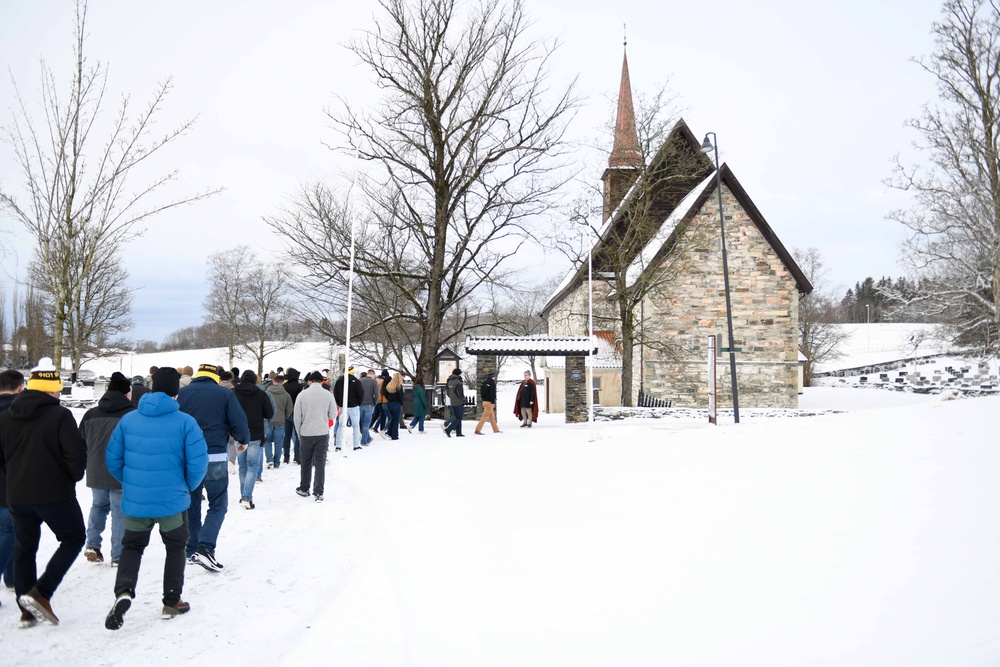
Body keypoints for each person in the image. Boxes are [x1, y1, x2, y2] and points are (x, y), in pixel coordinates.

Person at [103, 367, 208, 630]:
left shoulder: (128, 420)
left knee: (132, 547)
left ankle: (124, 591)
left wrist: (131, 483)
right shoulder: (185, 422)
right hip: (172, 502)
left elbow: (112, 459)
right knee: (175, 547)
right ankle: (172, 601)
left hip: (137, 502)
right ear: (176, 391)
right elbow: (198, 464)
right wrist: (186, 487)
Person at [0, 357, 87, 626]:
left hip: (16, 493)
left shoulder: (6, 416)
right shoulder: (60, 415)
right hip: (53, 493)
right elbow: (75, 456)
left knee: (24, 547)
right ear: (51, 389)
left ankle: (26, 609)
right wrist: (70, 478)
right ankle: (41, 592)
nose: (59, 393)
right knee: (73, 537)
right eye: (58, 389)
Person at [177, 364, 250, 573]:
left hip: (188, 458)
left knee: (191, 505)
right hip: (215, 456)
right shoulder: (224, 394)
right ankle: (205, 547)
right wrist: (242, 440)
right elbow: (239, 420)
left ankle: (191, 549)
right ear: (215, 377)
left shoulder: (183, 394)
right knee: (218, 504)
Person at [80, 372, 135, 566]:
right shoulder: (131, 415)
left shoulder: (91, 414)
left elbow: (81, 441)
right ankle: (118, 555)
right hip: (120, 470)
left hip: (95, 470)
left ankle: (92, 545)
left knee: (98, 507)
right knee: (119, 511)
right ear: (126, 393)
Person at [233, 370, 273, 509]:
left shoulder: (233, 393)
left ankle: (243, 495)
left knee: (243, 466)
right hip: (255, 435)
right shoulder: (261, 394)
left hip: (238, 435)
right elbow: (269, 413)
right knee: (253, 466)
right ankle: (246, 497)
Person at [293, 371, 336, 502]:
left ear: (310, 381)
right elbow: (333, 414)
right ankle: (318, 491)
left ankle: (304, 488)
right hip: (322, 432)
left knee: (306, 462)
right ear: (322, 381)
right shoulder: (327, 394)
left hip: (306, 432)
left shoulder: (302, 395)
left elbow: (296, 417)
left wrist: (299, 432)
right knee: (320, 462)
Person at [0, 369, 24, 596]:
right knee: (9, 532)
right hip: (10, 484)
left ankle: (12, 577)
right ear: (20, 388)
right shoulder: (18, 414)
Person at [333, 366, 363, 452]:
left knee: (341, 425)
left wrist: (339, 404)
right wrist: (358, 403)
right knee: (356, 426)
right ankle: (356, 444)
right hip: (354, 406)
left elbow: (336, 394)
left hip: (343, 406)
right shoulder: (357, 382)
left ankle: (338, 445)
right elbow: (360, 394)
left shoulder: (339, 381)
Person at [265, 374, 293, 468]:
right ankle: (277, 462)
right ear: (282, 382)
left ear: (273, 381)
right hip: (280, 421)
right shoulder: (286, 395)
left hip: (268, 421)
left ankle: (269, 459)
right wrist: (284, 417)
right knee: (279, 442)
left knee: (267, 441)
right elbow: (290, 408)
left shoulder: (267, 393)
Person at [282, 368, 304, 464]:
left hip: (287, 413)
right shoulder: (300, 387)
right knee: (297, 435)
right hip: (297, 413)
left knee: (287, 435)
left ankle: (286, 457)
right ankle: (297, 456)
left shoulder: (284, 386)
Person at [474, 371, 501, 435]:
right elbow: (492, 393)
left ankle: (496, 429)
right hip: (489, 402)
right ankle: (478, 429)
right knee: (485, 416)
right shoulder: (492, 383)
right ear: (492, 377)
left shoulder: (484, 383)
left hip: (484, 401)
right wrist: (493, 401)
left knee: (491, 417)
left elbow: (482, 392)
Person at [442, 368, 465, 438]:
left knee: (457, 416)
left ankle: (459, 432)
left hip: (452, 401)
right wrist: (463, 399)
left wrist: (452, 397)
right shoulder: (458, 382)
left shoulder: (449, 381)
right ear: (458, 374)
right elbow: (460, 393)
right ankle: (448, 430)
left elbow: (448, 392)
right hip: (458, 402)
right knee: (459, 417)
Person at [381, 372, 404, 440]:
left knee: (392, 419)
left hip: (389, 403)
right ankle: (394, 435)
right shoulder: (399, 387)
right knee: (396, 420)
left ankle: (389, 433)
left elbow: (386, 394)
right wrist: (400, 403)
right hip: (396, 404)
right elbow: (401, 396)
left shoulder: (389, 386)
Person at [359, 368, 378, 446]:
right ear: (373, 374)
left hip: (361, 404)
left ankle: (368, 438)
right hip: (369, 404)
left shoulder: (361, 381)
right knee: (367, 423)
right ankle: (364, 441)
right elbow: (376, 394)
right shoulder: (374, 382)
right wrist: (375, 403)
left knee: (363, 423)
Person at [371, 369, 390, 437]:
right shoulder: (383, 381)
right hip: (381, 399)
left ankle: (371, 426)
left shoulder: (376, 380)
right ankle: (382, 428)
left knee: (376, 414)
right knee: (383, 415)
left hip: (376, 399)